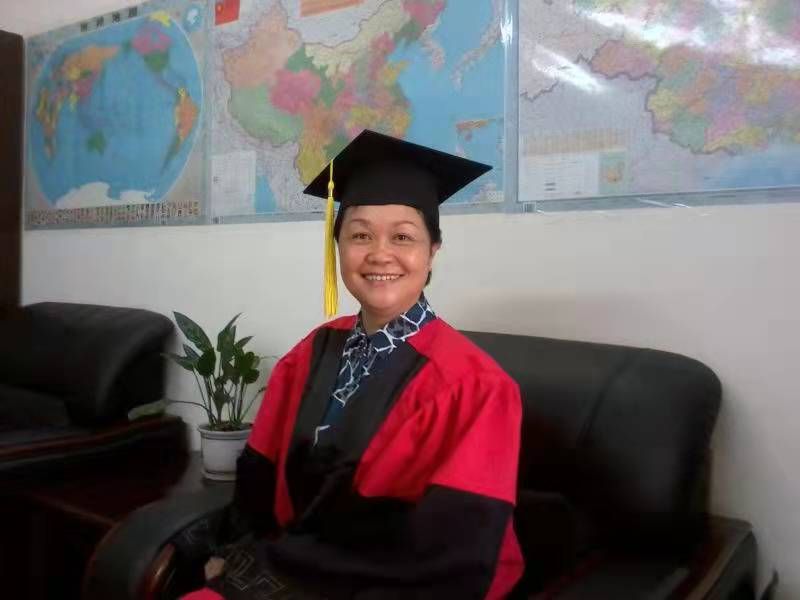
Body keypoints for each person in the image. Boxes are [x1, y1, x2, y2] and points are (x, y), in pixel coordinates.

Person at [181, 130, 524, 600]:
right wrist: (238, 554)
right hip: (294, 564)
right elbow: (260, 475)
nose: (380, 253)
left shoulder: (476, 387)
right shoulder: (312, 351)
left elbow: (456, 553)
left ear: (432, 252)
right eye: (360, 235)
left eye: (403, 237)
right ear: (338, 246)